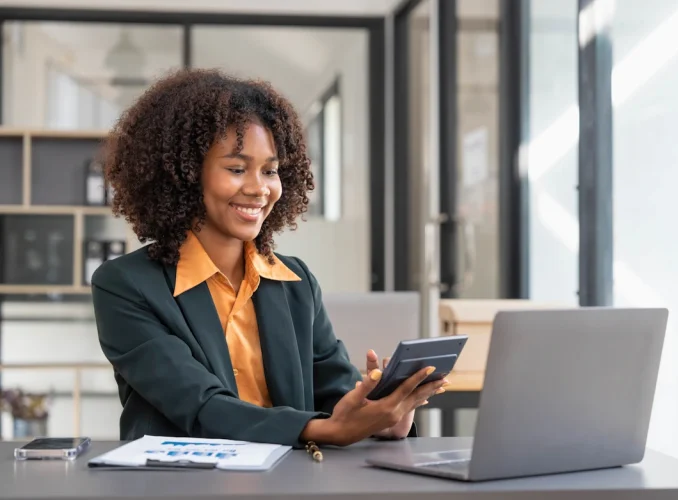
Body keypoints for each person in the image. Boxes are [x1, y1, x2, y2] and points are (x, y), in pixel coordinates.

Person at [91, 69, 447, 448]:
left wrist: (382, 417)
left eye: (270, 170)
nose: (259, 188)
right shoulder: (125, 285)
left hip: (288, 485)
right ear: (184, 175)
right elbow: (200, 406)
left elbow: (336, 394)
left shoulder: (296, 281)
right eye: (236, 168)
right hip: (182, 487)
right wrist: (323, 430)